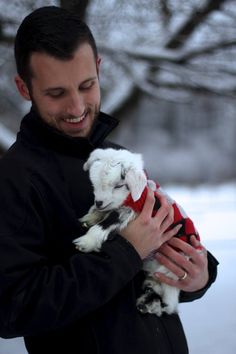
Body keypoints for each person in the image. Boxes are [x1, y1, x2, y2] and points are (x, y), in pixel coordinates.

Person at [0, 6, 218, 354]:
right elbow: (13, 308)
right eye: (56, 94)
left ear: (99, 69)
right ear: (24, 88)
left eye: (87, 86)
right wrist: (127, 251)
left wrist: (200, 276)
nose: (76, 108)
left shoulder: (119, 157)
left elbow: (162, 242)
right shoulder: (15, 179)